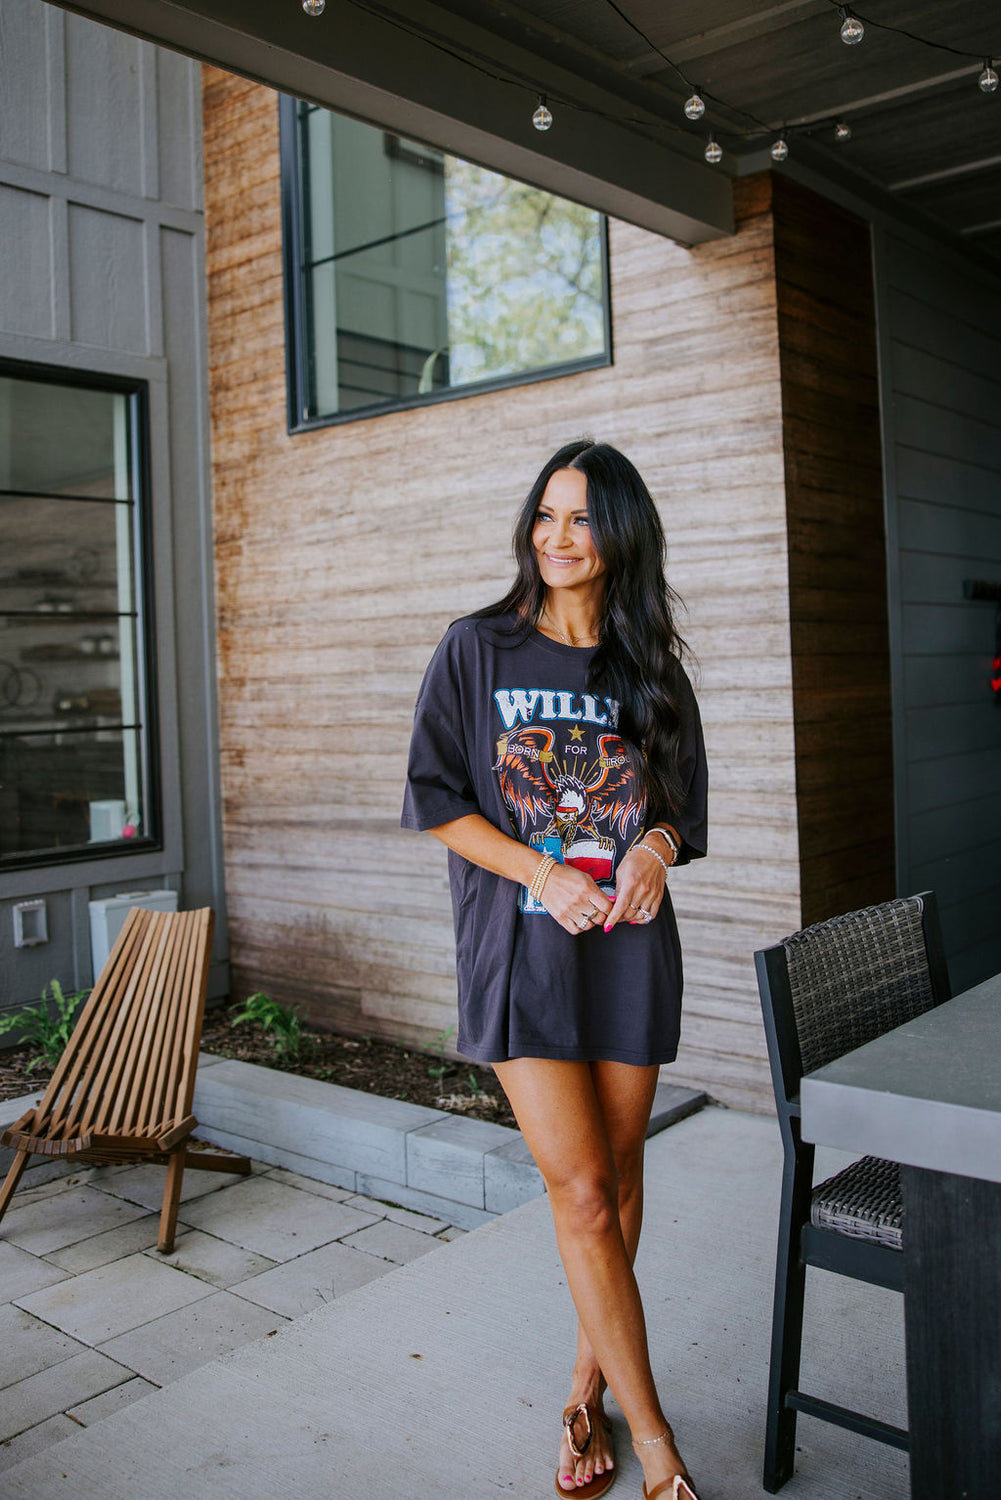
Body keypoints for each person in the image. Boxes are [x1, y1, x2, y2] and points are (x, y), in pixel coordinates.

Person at [402, 439, 708, 1500]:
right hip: (519, 951)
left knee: (617, 1181)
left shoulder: (647, 666)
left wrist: (651, 851)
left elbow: (679, 811)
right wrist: (543, 870)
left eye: (579, 518)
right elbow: (436, 799)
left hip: (627, 950)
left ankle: (586, 1392)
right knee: (578, 1192)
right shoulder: (476, 649)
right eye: (544, 515)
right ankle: (657, 1445)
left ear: (619, 533)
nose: (556, 537)